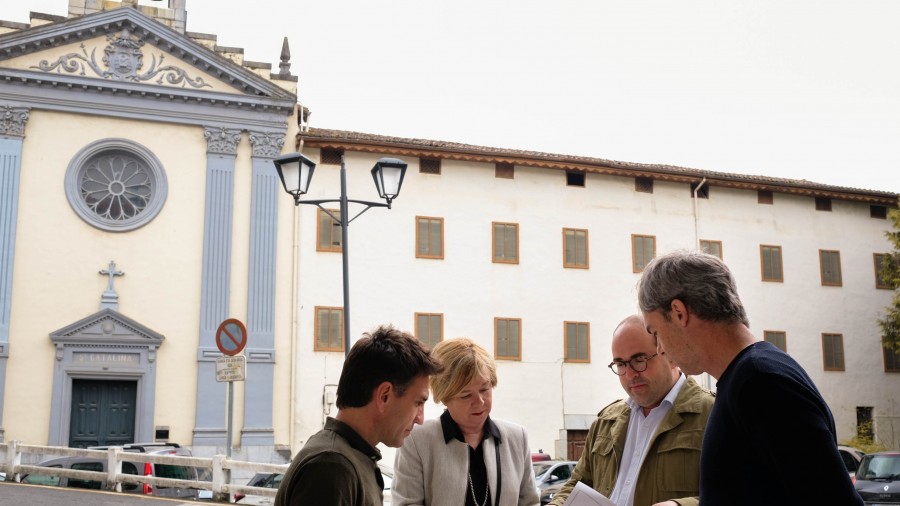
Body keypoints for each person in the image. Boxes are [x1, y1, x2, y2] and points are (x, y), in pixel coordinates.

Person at [637, 249, 864, 505]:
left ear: (679, 312)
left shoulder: (761, 383)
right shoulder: (749, 378)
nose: (659, 348)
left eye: (655, 332)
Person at [548, 315, 714, 506]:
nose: (629, 374)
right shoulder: (606, 421)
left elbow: (738, 493)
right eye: (620, 364)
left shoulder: (712, 413)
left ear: (669, 353)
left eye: (640, 360)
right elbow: (577, 485)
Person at [275, 324, 443, 506]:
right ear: (384, 396)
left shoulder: (343, 458)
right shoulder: (333, 466)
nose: (420, 418)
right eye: (418, 403)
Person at [392, 337, 539, 506]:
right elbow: (406, 503)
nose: (480, 402)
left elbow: (530, 502)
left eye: (485, 389)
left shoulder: (517, 437)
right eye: (466, 395)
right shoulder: (417, 439)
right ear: (445, 397)